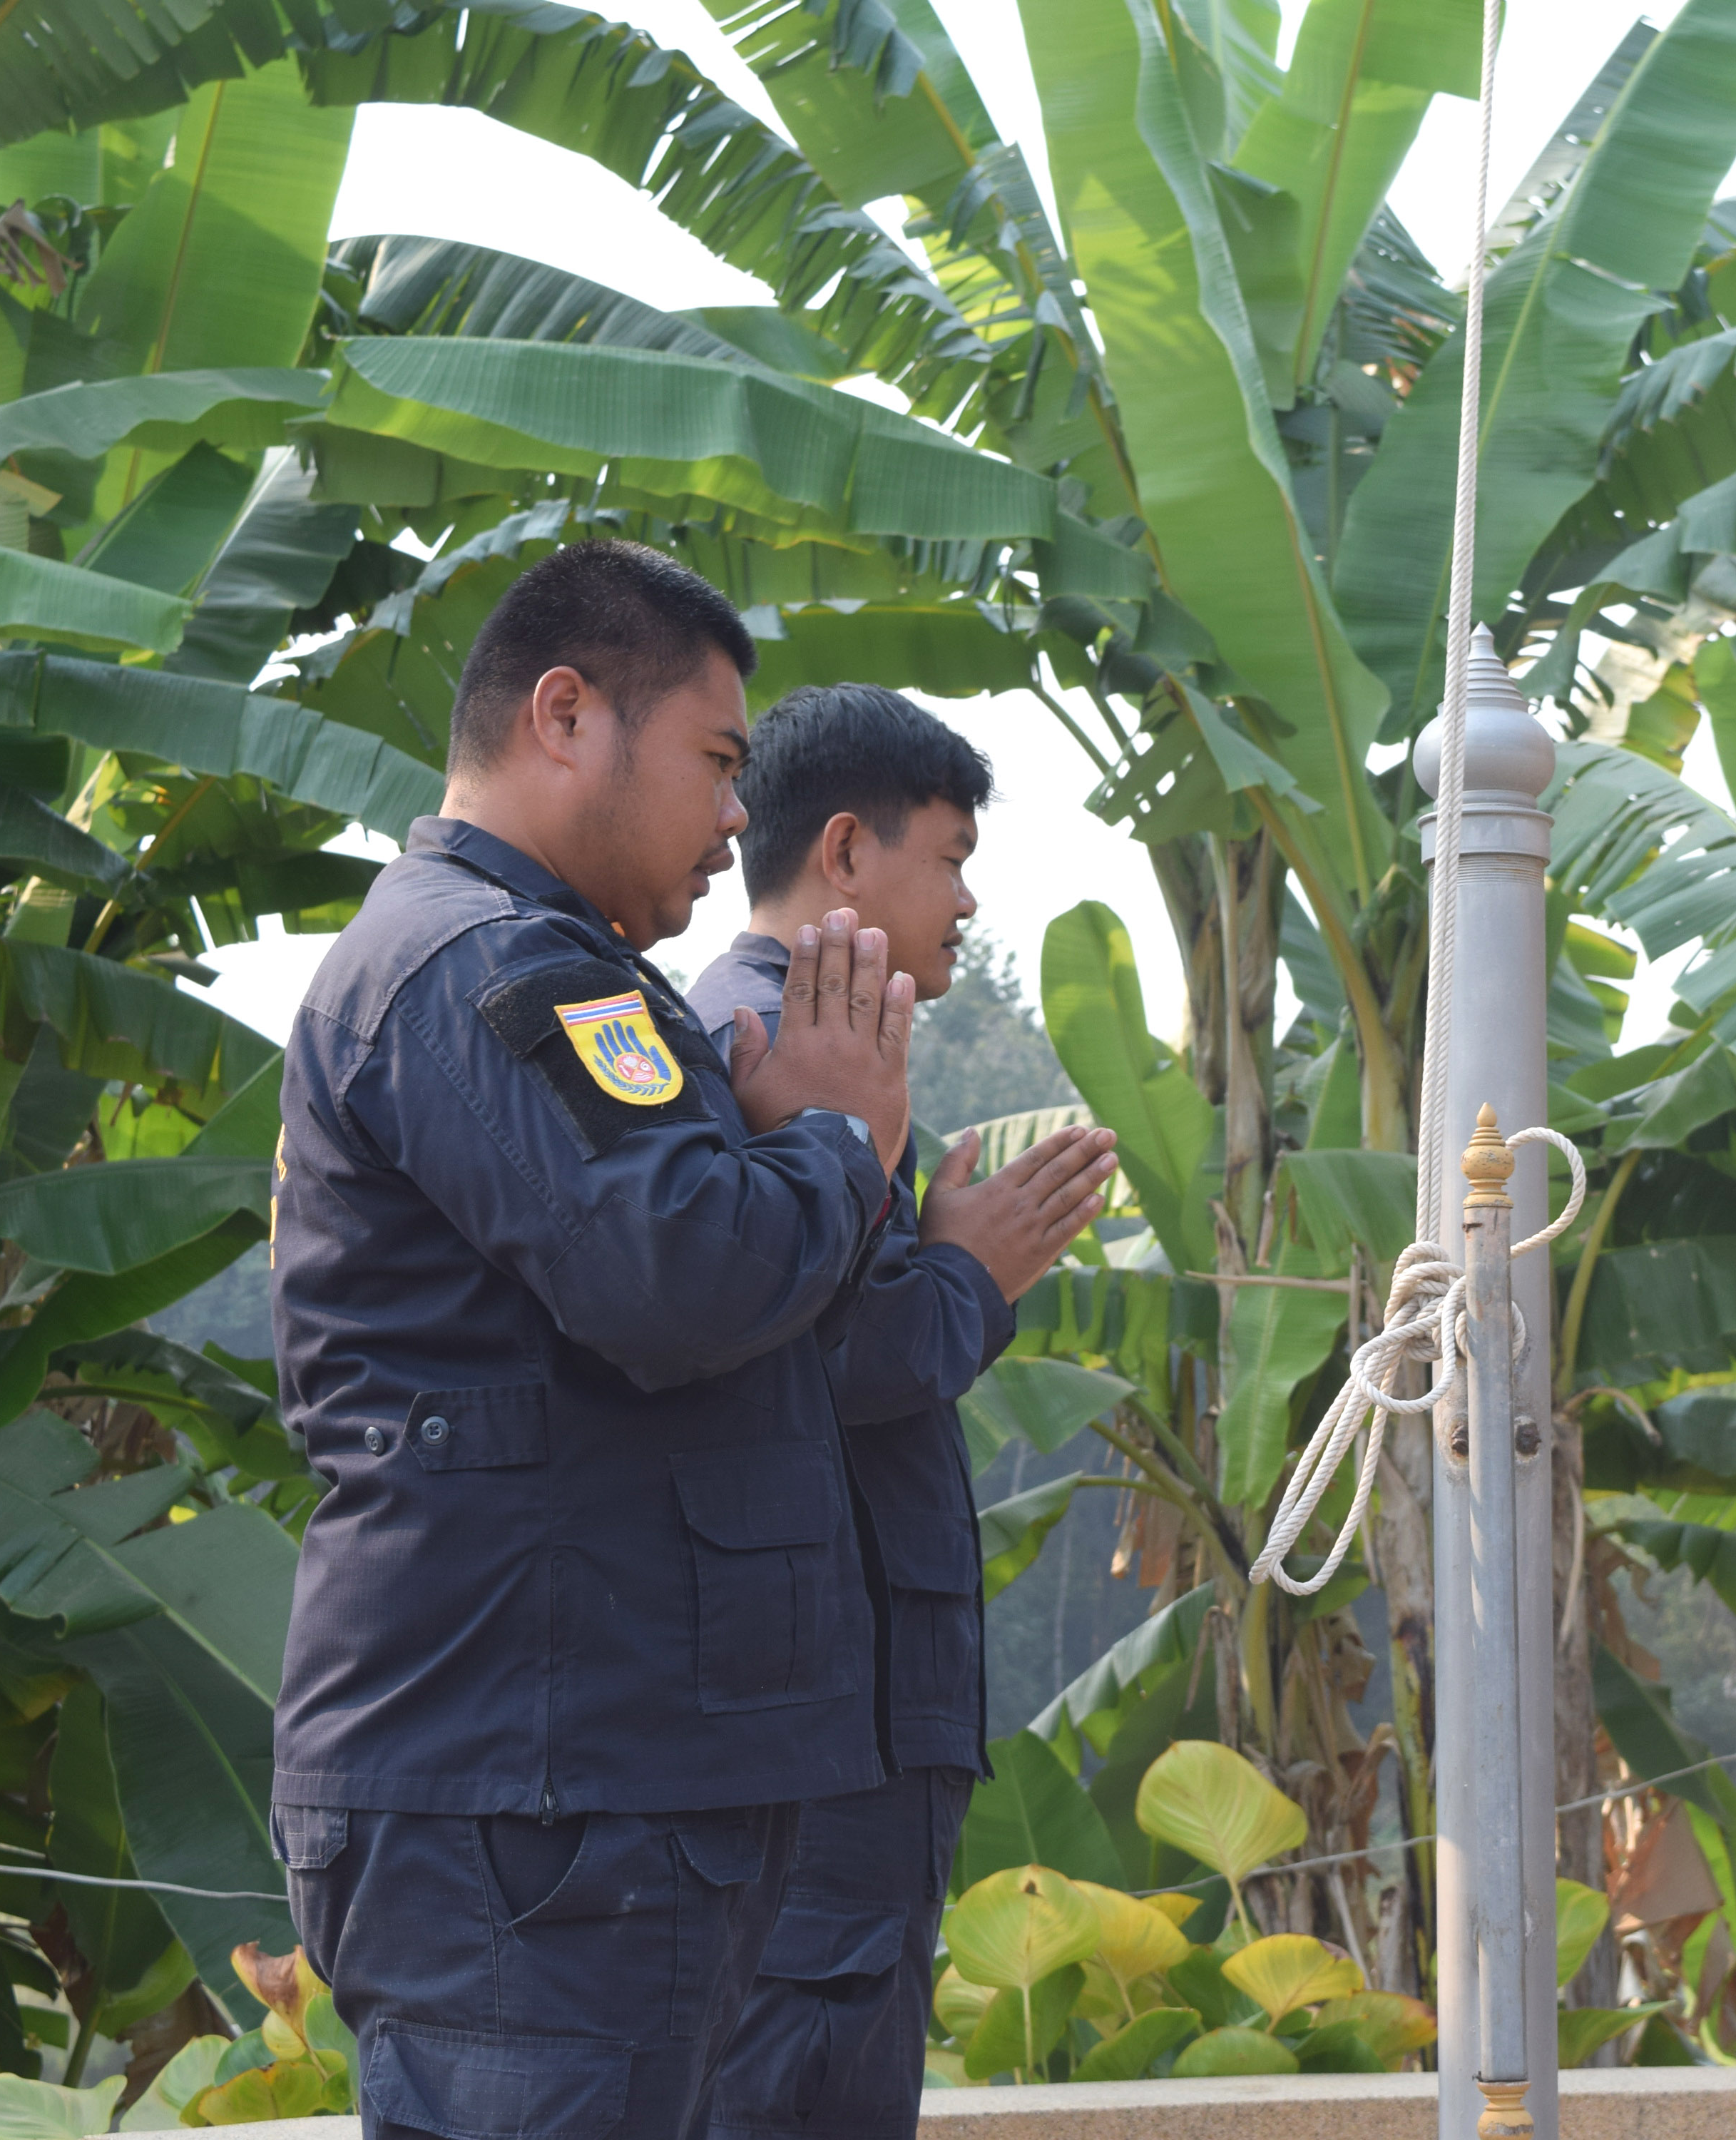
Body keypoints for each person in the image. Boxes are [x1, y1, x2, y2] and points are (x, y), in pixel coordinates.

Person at [265, 541, 1101, 2140]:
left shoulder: (559, 971)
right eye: (718, 762)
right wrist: (841, 1142)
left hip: (578, 1779)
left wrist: (790, 1148)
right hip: (538, 1791)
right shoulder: (489, 964)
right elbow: (681, 1278)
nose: (735, 814)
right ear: (566, 716)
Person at [683, 683, 1113, 2139]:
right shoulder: (765, 1046)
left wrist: (946, 1256)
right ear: (848, 852)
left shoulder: (790, 1040)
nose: (969, 901)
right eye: (951, 857)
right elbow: (812, 1356)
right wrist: (971, 1273)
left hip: (843, 1706)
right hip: (823, 1712)